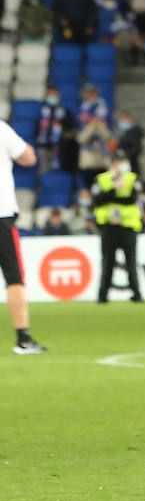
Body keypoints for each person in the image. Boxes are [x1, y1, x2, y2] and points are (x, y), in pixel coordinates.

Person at [0, 120, 46, 353]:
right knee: (14, 278)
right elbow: (28, 158)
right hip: (1, 214)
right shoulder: (1, 129)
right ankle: (23, 338)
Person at [92, 152, 143, 304]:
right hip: (108, 227)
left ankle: (137, 295)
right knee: (107, 262)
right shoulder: (101, 179)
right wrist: (114, 189)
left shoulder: (132, 178)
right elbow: (98, 200)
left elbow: (132, 199)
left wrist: (111, 196)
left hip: (128, 226)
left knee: (131, 263)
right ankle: (102, 296)